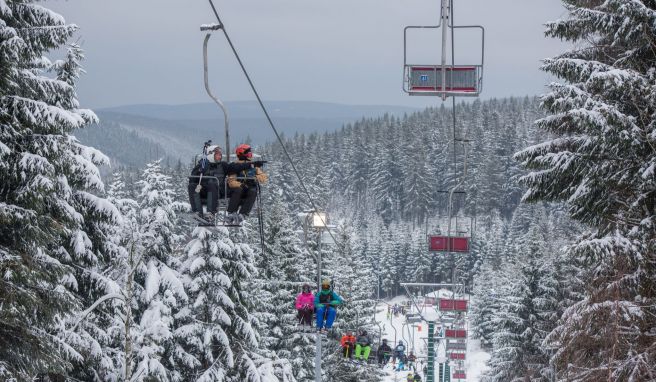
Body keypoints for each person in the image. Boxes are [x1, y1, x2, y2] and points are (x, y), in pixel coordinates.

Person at [188, 144, 262, 222]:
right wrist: (199, 171)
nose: (220, 157)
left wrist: (251, 165)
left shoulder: (223, 165)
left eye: (220, 155)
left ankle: (211, 213)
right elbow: (192, 180)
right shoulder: (202, 166)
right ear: (211, 155)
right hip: (203, 191)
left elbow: (236, 167)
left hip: (218, 191)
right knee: (192, 186)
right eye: (218, 155)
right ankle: (197, 211)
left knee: (212, 182)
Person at [226, 144, 268, 224]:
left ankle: (243, 214)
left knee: (253, 191)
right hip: (238, 190)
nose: (250, 156)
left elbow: (264, 178)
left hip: (249, 190)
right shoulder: (235, 166)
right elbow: (231, 181)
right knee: (238, 190)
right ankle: (231, 213)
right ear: (242, 154)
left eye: (251, 154)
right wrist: (241, 185)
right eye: (249, 154)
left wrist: (256, 176)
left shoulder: (253, 167)